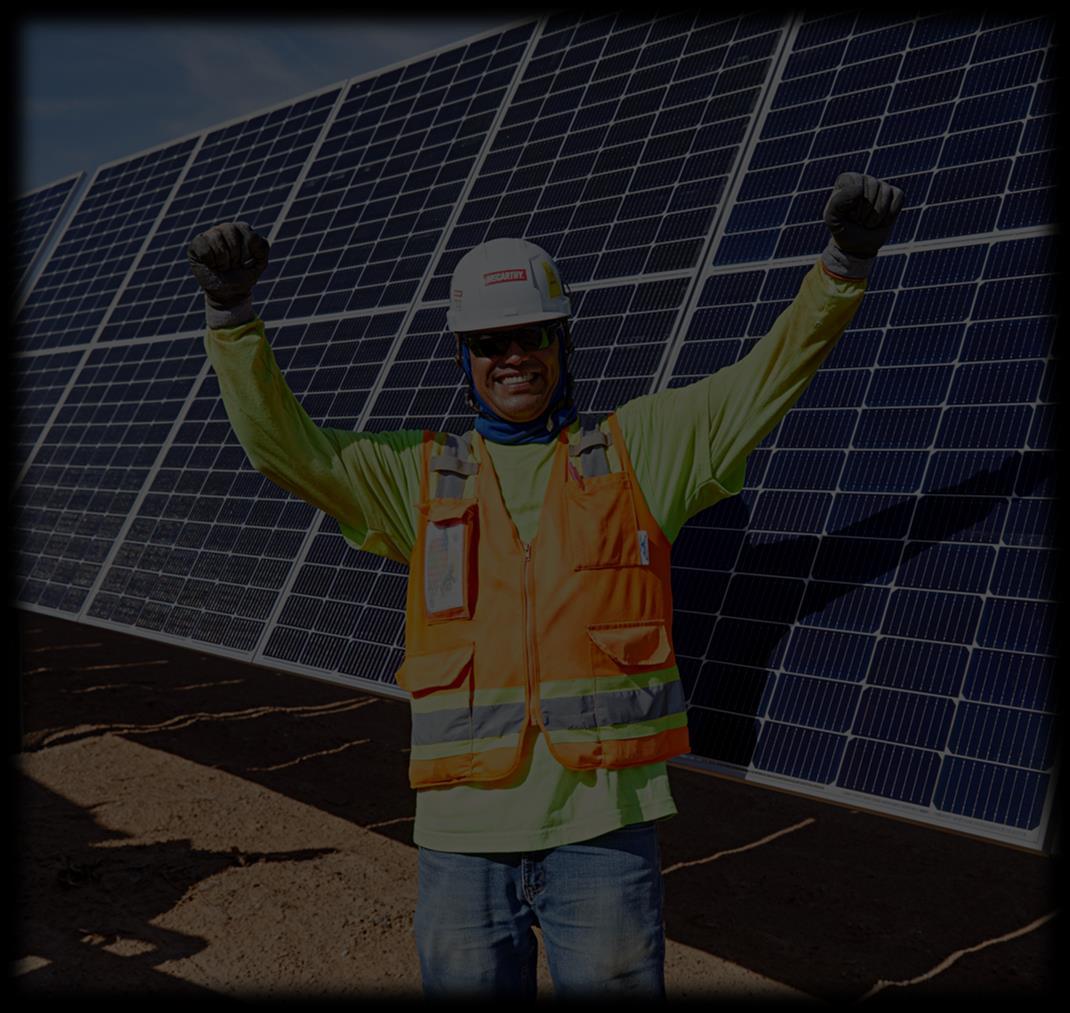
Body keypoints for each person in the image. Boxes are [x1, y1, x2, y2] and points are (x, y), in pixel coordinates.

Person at [189, 171, 903, 998]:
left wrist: (842, 267)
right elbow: (285, 448)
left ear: (562, 341)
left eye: (531, 334)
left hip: (603, 830)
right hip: (462, 836)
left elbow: (765, 378)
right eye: (490, 342)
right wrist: (232, 318)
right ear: (466, 356)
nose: (513, 357)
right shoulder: (418, 476)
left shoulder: (641, 454)